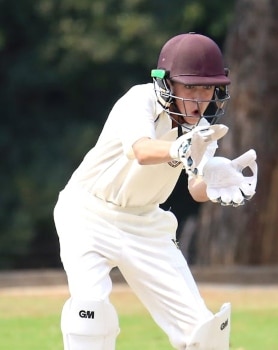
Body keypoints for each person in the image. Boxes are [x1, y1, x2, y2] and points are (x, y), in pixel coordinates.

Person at [53, 32, 258, 349]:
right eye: (190, 86)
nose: (200, 97)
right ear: (166, 83)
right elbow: (141, 150)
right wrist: (180, 149)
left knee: (204, 332)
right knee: (90, 313)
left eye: (207, 87)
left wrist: (218, 179)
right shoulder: (139, 100)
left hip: (146, 225)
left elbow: (195, 188)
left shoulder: (203, 130)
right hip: (87, 215)